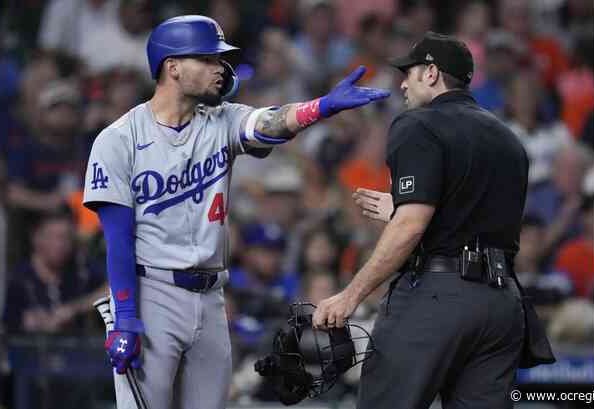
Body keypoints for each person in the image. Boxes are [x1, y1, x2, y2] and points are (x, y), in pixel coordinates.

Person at [81, 15, 389, 409]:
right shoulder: (119, 139)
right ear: (172, 67)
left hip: (211, 298)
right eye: (208, 59)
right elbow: (118, 239)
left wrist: (323, 107)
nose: (220, 68)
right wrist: (125, 317)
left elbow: (273, 122)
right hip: (152, 292)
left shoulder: (223, 120)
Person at [313, 32, 531, 408]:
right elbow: (465, 215)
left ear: (431, 73)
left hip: (437, 297)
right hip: (501, 303)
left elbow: (412, 225)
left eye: (408, 73)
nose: (402, 83)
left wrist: (350, 296)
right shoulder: (507, 136)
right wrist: (402, 209)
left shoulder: (419, 123)